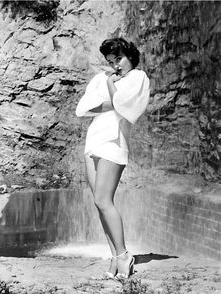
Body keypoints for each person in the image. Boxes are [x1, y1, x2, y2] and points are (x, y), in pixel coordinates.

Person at [75, 37, 150, 279]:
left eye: (119, 59)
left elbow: (123, 106)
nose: (115, 65)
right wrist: (110, 96)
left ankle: (124, 254)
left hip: (113, 142)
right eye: (110, 61)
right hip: (94, 140)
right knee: (99, 204)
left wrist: (109, 87)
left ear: (130, 56)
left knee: (104, 200)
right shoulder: (101, 78)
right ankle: (116, 257)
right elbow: (83, 109)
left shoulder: (138, 78)